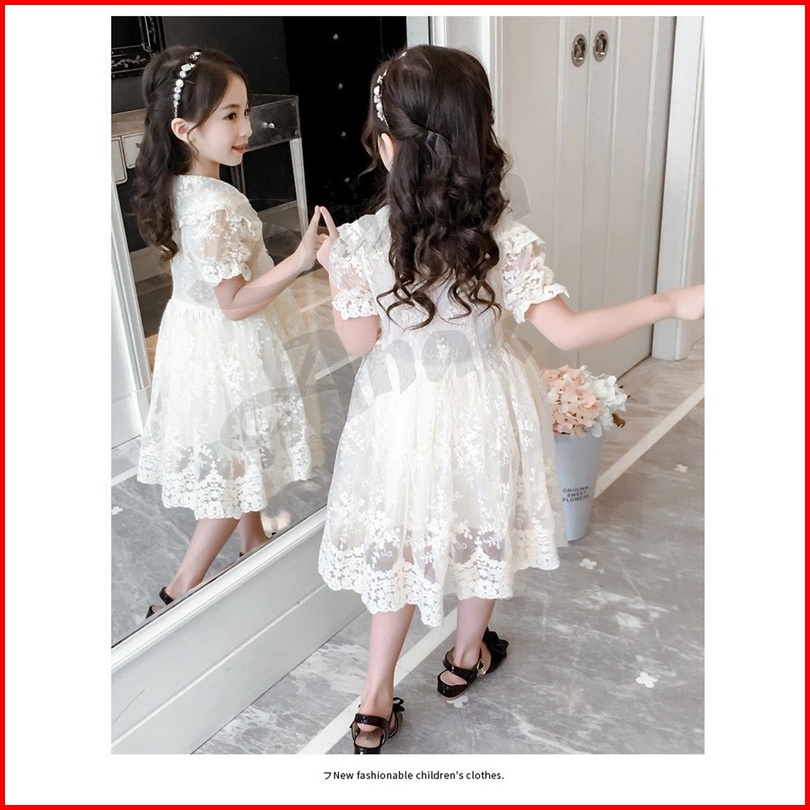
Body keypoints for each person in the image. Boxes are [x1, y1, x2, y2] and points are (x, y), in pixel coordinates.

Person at [315, 45, 704, 754]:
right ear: (476, 140)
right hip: (488, 408)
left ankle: (372, 702)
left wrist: (334, 271)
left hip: (403, 415)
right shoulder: (499, 237)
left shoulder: (359, 244)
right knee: (483, 527)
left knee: (402, 546)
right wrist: (670, 302)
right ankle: (466, 656)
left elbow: (358, 340)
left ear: (385, 145)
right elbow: (570, 331)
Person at [132, 46, 326, 619]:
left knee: (239, 449)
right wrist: (300, 261)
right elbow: (235, 303)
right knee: (235, 462)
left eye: (246, 111)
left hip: (196, 341)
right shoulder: (216, 204)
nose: (247, 128)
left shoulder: (180, 187)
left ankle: (253, 538)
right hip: (227, 345)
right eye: (231, 116)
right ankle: (178, 589)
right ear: (185, 130)